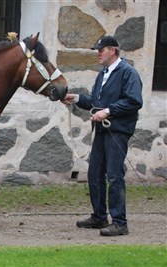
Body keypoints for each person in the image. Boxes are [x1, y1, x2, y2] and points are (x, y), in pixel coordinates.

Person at [62, 35, 143, 236]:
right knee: (95, 173)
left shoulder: (128, 73)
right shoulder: (103, 74)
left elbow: (134, 101)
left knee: (115, 176)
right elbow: (95, 103)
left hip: (118, 131)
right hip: (103, 131)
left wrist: (107, 111)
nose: (98, 53)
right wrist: (77, 99)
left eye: (102, 49)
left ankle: (120, 222)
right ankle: (99, 217)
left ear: (113, 50)